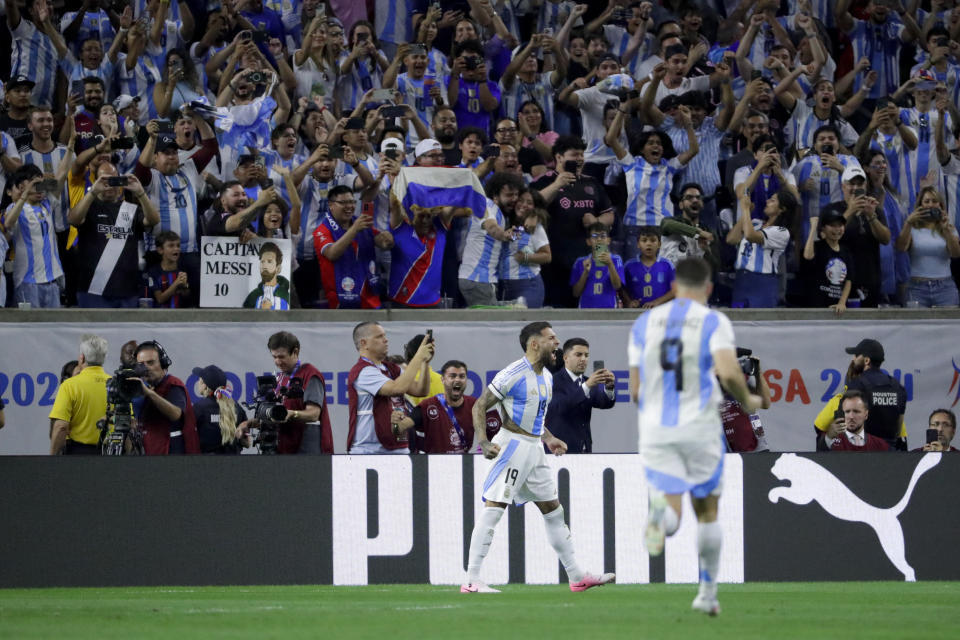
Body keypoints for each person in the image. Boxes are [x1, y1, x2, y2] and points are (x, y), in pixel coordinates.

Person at [629, 257, 762, 616]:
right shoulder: (712, 320)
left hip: (657, 428)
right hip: (701, 426)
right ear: (707, 289)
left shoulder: (643, 323)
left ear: (673, 288)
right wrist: (747, 398)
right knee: (707, 511)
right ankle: (707, 594)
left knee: (672, 506)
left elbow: (637, 391)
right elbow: (727, 370)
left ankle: (662, 519)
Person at [463, 320, 615, 593]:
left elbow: (534, 414)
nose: (557, 342)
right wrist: (484, 442)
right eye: (552, 338)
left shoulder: (545, 375)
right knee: (494, 509)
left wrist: (548, 437)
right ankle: (472, 579)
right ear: (535, 344)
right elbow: (480, 405)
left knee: (554, 511)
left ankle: (577, 576)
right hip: (511, 448)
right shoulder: (512, 373)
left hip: (534, 449)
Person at [69, 164, 160, 308]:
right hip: (92, 290)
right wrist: (92, 192)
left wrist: (141, 193)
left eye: (114, 180)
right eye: (104, 180)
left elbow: (154, 220)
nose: (110, 185)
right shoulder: (89, 206)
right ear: (96, 182)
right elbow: (73, 219)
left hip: (127, 291)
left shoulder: (131, 209)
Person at [346, 321, 435, 454]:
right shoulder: (363, 371)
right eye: (379, 337)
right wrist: (418, 356)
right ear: (364, 343)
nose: (386, 340)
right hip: (369, 449)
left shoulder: (391, 368)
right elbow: (397, 388)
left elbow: (421, 390)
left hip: (398, 445)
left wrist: (424, 362)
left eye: (385, 335)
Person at [392, 360, 502, 454]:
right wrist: (396, 423)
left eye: (462, 376)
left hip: (465, 465)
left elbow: (494, 428)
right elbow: (399, 428)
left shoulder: (475, 405)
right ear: (443, 380)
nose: (457, 380)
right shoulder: (428, 405)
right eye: (452, 376)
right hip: (434, 466)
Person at [314, 184, 394, 309]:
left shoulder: (361, 223)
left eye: (352, 202)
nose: (349, 206)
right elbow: (331, 254)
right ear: (331, 205)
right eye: (343, 202)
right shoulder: (322, 230)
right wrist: (354, 229)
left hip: (369, 298)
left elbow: (381, 242)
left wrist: (387, 240)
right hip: (341, 300)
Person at [261, 331, 333, 454]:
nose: (278, 361)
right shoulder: (281, 378)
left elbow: (314, 414)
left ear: (295, 352)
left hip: (307, 450)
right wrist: (249, 424)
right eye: (274, 357)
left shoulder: (310, 374)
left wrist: (291, 414)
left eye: (281, 357)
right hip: (286, 449)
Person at [726, 186, 796, 308]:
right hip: (741, 282)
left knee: (761, 323)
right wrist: (745, 215)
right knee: (739, 322)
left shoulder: (782, 232)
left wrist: (746, 209)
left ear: (782, 209)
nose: (767, 201)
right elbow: (731, 239)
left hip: (763, 284)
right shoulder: (755, 223)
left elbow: (750, 236)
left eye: (773, 200)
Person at [545, 338, 616, 454]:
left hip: (585, 450)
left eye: (586, 355)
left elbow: (604, 403)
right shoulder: (552, 381)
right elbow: (561, 407)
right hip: (559, 450)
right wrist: (586, 386)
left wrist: (609, 388)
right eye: (578, 355)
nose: (583, 359)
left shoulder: (588, 381)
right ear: (565, 358)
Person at [895, 186, 960, 307]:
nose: (930, 205)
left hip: (945, 287)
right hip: (917, 287)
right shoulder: (912, 227)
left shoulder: (949, 228)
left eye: (934, 201)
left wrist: (945, 229)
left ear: (940, 205)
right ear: (920, 205)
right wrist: (908, 223)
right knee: (916, 325)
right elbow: (901, 248)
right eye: (927, 201)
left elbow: (956, 254)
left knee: (949, 325)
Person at [134, 340, 200, 455]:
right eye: (141, 364)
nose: (146, 368)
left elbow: (176, 415)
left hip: (171, 456)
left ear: (163, 363)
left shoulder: (173, 384)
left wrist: (150, 394)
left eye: (151, 362)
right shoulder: (145, 387)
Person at [48, 334, 110, 455]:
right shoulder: (117, 385)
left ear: (81, 358)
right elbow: (129, 424)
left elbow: (61, 427)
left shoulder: (70, 385)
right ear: (104, 358)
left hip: (78, 454)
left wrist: (52, 459)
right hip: (110, 453)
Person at [844, 338, 908, 449]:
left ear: (866, 360)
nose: (853, 359)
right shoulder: (897, 386)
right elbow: (899, 427)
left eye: (856, 355)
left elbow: (847, 423)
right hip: (890, 453)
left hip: (864, 452)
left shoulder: (856, 385)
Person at [720, 348, 772, 453]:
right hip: (729, 452)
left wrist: (758, 373)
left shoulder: (743, 378)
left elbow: (766, 403)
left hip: (757, 448)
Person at [801, 210, 854, 313]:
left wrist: (842, 302)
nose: (837, 229)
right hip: (816, 307)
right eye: (833, 225)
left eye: (840, 225)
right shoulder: (817, 247)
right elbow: (807, 256)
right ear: (823, 228)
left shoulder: (846, 251)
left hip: (838, 309)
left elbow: (849, 280)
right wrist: (813, 228)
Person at [191, 365, 251, 455]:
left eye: (199, 380)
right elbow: (247, 443)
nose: (198, 383)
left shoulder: (198, 408)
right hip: (235, 464)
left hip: (207, 465)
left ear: (205, 385)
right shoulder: (237, 407)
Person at [570, 223, 624, 309]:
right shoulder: (580, 262)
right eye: (595, 236)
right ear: (588, 241)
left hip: (610, 309)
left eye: (603, 236)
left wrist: (610, 265)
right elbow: (576, 293)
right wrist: (585, 272)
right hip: (585, 309)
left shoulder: (616, 259)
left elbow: (617, 286)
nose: (599, 239)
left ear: (608, 240)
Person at [622, 226, 676, 309]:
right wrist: (629, 302)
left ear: (659, 244)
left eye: (653, 240)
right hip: (635, 313)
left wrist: (657, 302)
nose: (648, 244)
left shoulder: (667, 264)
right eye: (644, 240)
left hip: (662, 311)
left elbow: (675, 290)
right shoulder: (629, 266)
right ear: (638, 244)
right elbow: (621, 288)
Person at [820, 390, 890, 451]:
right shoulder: (831, 441)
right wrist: (828, 438)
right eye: (847, 412)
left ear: (866, 414)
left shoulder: (880, 445)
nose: (851, 417)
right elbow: (818, 458)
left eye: (856, 411)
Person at [243, 242, 292, 310]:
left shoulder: (286, 296)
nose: (264, 266)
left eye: (269, 261)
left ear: (278, 268)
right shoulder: (253, 296)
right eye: (262, 262)